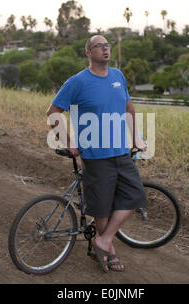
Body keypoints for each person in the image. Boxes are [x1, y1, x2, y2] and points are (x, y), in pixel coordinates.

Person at [46, 35, 147, 272]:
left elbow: (128, 107)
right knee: (101, 207)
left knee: (135, 196)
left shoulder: (118, 76)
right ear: (88, 53)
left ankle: (103, 239)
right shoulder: (76, 82)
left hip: (121, 151)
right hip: (95, 156)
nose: (105, 48)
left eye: (107, 45)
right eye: (98, 46)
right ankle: (108, 251)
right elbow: (53, 112)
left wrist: (136, 137)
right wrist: (69, 141)